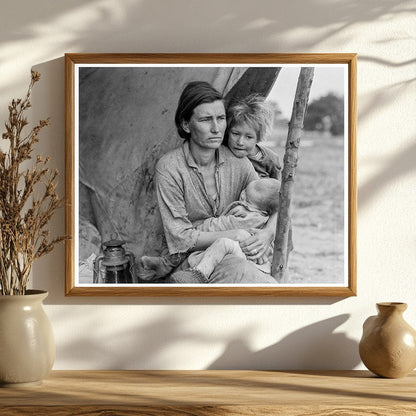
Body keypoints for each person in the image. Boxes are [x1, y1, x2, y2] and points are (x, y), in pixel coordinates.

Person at [151, 81, 277, 284]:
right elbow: (181, 238)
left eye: (220, 118)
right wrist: (234, 234)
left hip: (237, 253)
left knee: (249, 269)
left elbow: (273, 204)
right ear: (186, 125)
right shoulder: (169, 168)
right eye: (206, 120)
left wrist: (268, 233)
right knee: (240, 271)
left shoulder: (239, 162)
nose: (216, 128)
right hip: (193, 261)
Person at [173, 178, 281, 283]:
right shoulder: (267, 220)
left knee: (223, 243)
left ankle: (200, 273)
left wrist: (201, 227)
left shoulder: (245, 216)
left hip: (248, 260)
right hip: (262, 265)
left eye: (245, 198)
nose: (241, 196)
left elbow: (220, 226)